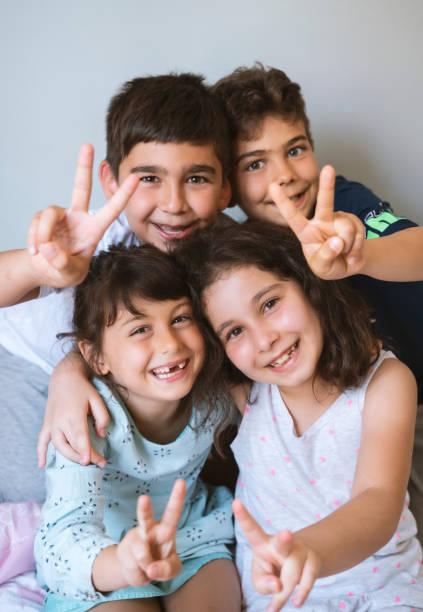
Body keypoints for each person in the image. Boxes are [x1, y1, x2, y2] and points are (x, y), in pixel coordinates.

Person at [0, 72, 232, 503]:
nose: (174, 204)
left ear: (225, 187)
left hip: (104, 378)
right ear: (110, 181)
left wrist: (73, 368)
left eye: (197, 178)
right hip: (26, 372)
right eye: (149, 179)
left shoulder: (225, 251)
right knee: (41, 502)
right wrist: (41, 268)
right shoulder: (97, 236)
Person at [212, 62, 423, 533]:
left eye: (295, 150)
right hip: (354, 423)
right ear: (227, 186)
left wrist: (361, 252)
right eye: (255, 163)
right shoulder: (244, 255)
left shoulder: (342, 204)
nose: (285, 175)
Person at [175, 220, 423, 611]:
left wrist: (307, 550)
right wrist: (72, 374)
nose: (265, 339)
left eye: (270, 304)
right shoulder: (247, 391)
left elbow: (378, 501)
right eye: (235, 331)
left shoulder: (386, 382)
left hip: (383, 588)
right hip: (281, 595)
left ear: (309, 286)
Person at [34, 243, 240, 612]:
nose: (170, 343)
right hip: (105, 550)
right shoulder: (84, 417)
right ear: (96, 357)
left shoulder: (216, 396)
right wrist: (122, 563)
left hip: (190, 536)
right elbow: (61, 542)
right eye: (141, 329)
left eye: (180, 318)